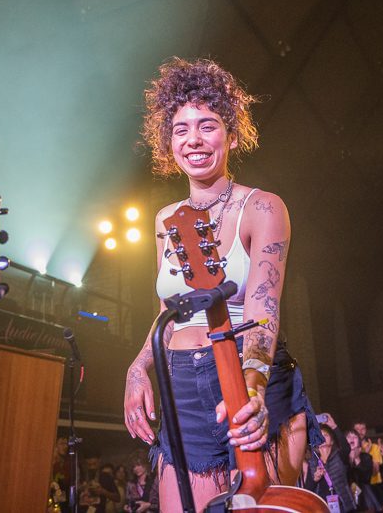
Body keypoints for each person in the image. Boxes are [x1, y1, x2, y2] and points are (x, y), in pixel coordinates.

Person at [122, 58, 321, 512]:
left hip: (244, 373)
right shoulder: (166, 220)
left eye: (207, 126)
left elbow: (263, 310)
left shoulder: (263, 207)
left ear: (232, 135)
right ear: (168, 142)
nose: (193, 139)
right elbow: (168, 312)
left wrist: (251, 388)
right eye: (181, 129)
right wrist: (138, 368)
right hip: (182, 386)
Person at [305, 424, 357, 512]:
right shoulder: (313, 463)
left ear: (332, 441)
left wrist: (334, 426)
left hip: (344, 506)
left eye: (325, 435)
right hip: (322, 507)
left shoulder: (340, 456)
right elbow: (308, 489)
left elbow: (346, 447)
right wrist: (315, 479)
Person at [345, 429, 380, 511]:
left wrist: (357, 459)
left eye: (355, 437)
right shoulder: (341, 458)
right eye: (349, 436)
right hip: (347, 498)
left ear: (359, 441)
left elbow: (366, 478)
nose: (352, 439)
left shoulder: (366, 457)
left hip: (364, 498)